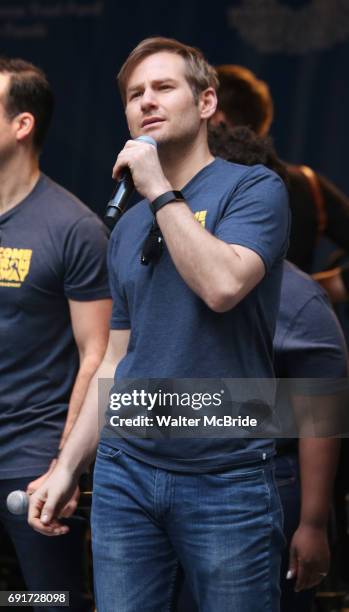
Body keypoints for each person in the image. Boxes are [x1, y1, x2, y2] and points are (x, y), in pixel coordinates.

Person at [28, 37, 290, 612]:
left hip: (226, 474)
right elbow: (117, 360)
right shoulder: (125, 227)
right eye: (134, 94)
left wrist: (159, 190)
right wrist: (69, 467)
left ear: (205, 103)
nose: (146, 101)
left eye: (163, 87)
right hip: (126, 473)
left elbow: (222, 287)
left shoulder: (253, 188)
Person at [0, 58, 111, 610]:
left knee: (48, 602)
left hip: (31, 462)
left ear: (21, 125)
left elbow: (98, 354)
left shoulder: (75, 228)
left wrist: (64, 465)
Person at [210, 64, 349, 301]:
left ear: (216, 118)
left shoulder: (204, 182)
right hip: (290, 329)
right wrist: (318, 291)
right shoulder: (307, 184)